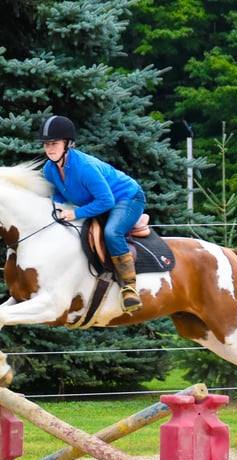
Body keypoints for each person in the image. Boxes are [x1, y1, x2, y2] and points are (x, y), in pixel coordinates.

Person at [37, 115, 146, 313]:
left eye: (54, 143)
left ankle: (129, 288)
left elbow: (106, 201)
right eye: (46, 145)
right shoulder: (49, 169)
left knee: (112, 233)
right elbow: (60, 194)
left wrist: (75, 213)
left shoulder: (84, 167)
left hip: (127, 198)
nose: (49, 149)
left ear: (67, 144)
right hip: (99, 201)